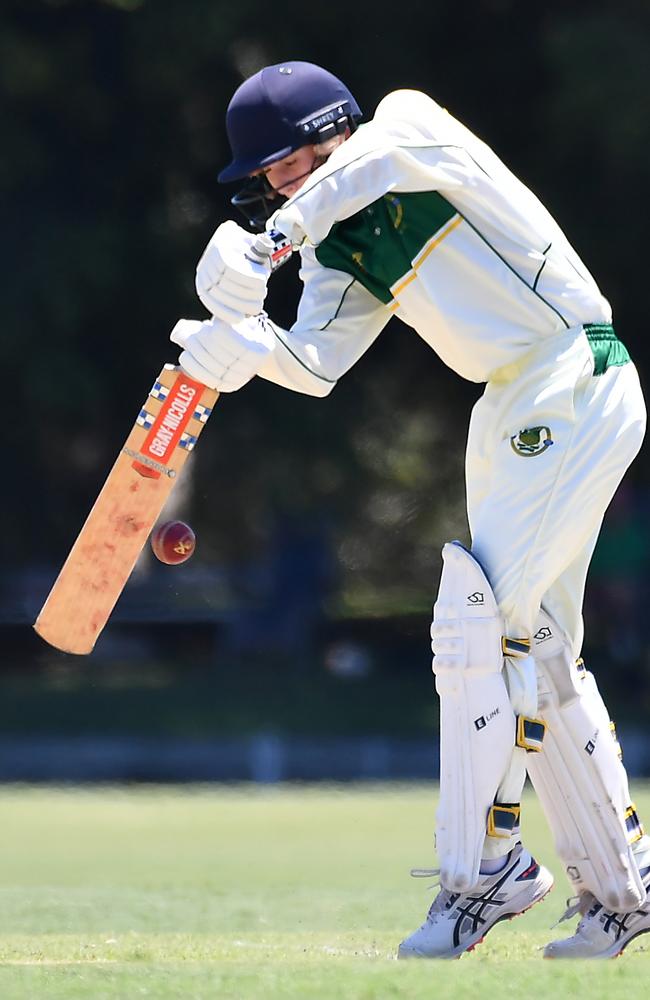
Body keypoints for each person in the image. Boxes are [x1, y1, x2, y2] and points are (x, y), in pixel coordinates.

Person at [170, 61, 650, 959]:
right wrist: (234, 345)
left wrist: (269, 243)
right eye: (265, 177)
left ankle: (484, 876)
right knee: (536, 642)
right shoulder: (337, 243)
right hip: (510, 404)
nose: (276, 185)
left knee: (475, 625)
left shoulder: (409, 128)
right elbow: (315, 364)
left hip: (571, 369)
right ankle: (622, 892)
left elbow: (368, 166)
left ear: (327, 128)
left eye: (283, 164)